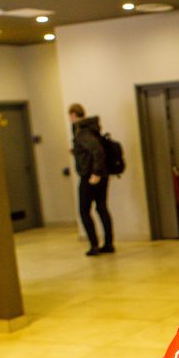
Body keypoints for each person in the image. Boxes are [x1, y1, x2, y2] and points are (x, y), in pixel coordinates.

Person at [68, 103, 114, 256]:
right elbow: (92, 151)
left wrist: (96, 173)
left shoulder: (82, 132)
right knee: (101, 208)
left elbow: (97, 151)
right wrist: (76, 152)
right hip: (102, 174)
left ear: (73, 114)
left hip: (91, 176)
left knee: (84, 211)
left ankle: (94, 245)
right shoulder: (92, 129)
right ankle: (108, 244)